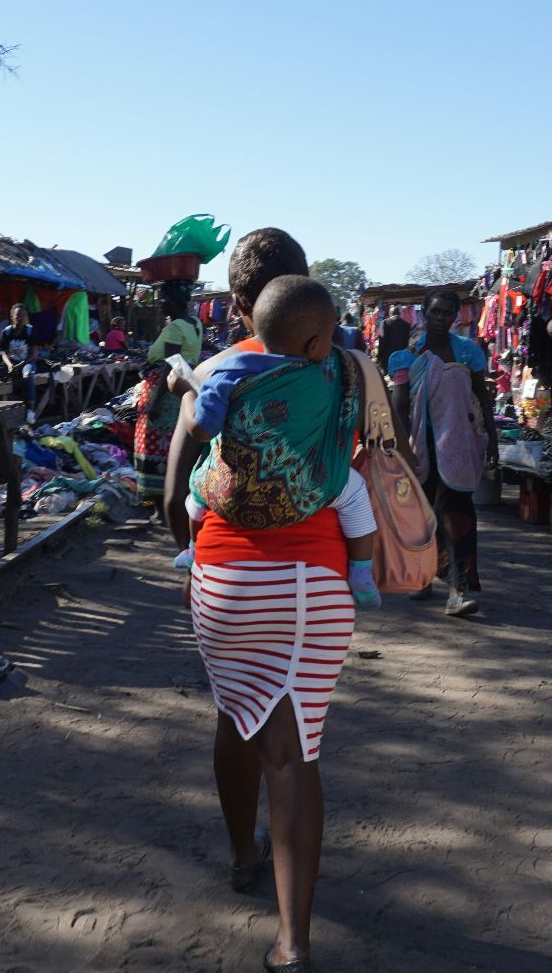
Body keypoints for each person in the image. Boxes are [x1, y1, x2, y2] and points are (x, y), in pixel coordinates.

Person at [165, 227, 401, 973]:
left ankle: (244, 855)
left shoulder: (214, 372)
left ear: (242, 304)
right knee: (293, 750)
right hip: (318, 583)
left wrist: (194, 551)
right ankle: (292, 943)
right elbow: (384, 461)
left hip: (225, 578)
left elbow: (173, 495)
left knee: (235, 713)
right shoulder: (353, 368)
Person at [171, 275, 380, 609]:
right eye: (329, 338)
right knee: (355, 493)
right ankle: (362, 573)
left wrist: (185, 393)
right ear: (314, 345)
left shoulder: (228, 371)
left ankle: (194, 549)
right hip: (310, 486)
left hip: (231, 494)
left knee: (198, 484)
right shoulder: (333, 373)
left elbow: (201, 431)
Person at [389, 288, 498, 617]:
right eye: (435, 311)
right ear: (424, 312)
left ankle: (456, 591)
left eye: (447, 312)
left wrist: (493, 438)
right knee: (424, 517)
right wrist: (402, 448)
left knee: (456, 516)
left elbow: (482, 396)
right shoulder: (406, 357)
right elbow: (399, 406)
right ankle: (423, 578)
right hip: (421, 450)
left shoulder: (467, 351)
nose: (441, 318)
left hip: (458, 447)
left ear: (455, 316)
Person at [131, 285, 203, 511]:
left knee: (153, 445)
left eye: (163, 299)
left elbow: (171, 365)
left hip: (163, 392)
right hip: (182, 389)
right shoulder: (195, 323)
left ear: (175, 301)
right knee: (174, 444)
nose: (160, 303)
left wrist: (154, 403)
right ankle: (170, 501)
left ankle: (158, 506)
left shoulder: (175, 327)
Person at [0, 304, 40, 422]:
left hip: (27, 362)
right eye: (17, 315)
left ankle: (31, 410)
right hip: (11, 363)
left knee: (28, 374)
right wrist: (9, 365)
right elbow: (4, 353)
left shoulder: (30, 331)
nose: (20, 318)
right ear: (12, 316)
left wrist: (21, 364)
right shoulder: (6, 333)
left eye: (23, 315)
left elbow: (34, 354)